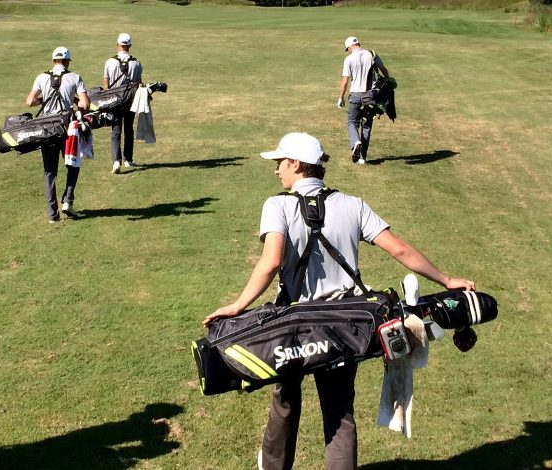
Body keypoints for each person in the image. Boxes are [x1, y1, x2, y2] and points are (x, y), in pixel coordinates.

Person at [202, 132, 475, 470]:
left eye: (280, 163)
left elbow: (271, 262)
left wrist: (237, 306)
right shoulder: (352, 204)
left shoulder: (278, 205)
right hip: (346, 327)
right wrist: (447, 281)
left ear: (298, 165)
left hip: (291, 327)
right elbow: (399, 249)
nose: (276, 171)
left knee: (285, 401)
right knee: (340, 413)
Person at [25, 46, 90, 223]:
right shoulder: (75, 77)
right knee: (73, 164)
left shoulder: (41, 77)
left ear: (53, 61)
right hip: (68, 127)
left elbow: (30, 102)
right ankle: (68, 199)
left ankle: (53, 215)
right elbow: (85, 104)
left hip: (47, 128)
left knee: (50, 171)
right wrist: (73, 99)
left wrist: (43, 100)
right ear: (67, 61)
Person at [337, 36, 389, 165]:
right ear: (358, 44)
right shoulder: (372, 55)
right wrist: (388, 81)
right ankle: (362, 158)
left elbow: (345, 81)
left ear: (349, 47)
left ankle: (355, 142)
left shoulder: (348, 59)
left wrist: (341, 97)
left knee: (352, 122)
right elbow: (384, 70)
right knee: (366, 126)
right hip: (370, 95)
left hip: (355, 95)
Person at [103, 32, 143, 174]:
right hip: (131, 101)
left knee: (115, 130)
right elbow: (138, 84)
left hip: (114, 101)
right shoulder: (136, 63)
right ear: (129, 46)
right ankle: (128, 159)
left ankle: (116, 161)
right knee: (129, 129)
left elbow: (106, 84)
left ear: (118, 45)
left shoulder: (109, 62)